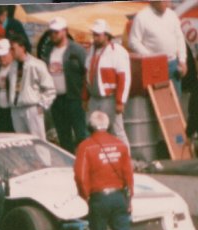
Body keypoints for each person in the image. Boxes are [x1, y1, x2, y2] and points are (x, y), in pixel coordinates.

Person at [74, 111, 149, 230]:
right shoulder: (120, 144)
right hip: (118, 196)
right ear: (107, 125)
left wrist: (85, 196)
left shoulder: (86, 146)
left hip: (99, 197)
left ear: (90, 126)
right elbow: (128, 174)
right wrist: (129, 198)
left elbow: (80, 176)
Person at [82, 19, 131, 149]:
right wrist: (85, 97)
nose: (95, 38)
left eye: (98, 35)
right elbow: (87, 75)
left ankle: (127, 159)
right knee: (92, 130)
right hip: (94, 98)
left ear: (107, 35)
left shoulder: (118, 51)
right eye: (94, 35)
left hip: (110, 99)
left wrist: (120, 101)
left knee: (117, 131)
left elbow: (124, 78)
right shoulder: (91, 51)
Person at [41, 16, 87, 153]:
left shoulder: (77, 50)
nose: (53, 35)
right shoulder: (48, 50)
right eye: (51, 32)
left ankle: (84, 161)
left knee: (81, 133)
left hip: (74, 98)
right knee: (63, 134)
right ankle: (69, 162)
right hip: (56, 100)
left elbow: (86, 72)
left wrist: (85, 96)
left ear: (65, 31)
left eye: (56, 32)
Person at [128, 0, 187, 96]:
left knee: (175, 99)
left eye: (168, 1)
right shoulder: (142, 17)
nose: (167, 3)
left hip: (173, 64)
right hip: (154, 67)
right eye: (163, 1)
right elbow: (133, 41)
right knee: (158, 99)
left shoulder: (172, 15)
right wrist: (151, 57)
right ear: (153, 2)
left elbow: (179, 38)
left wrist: (182, 60)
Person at [8, 34, 56, 140]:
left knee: (38, 141)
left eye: (13, 48)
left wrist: (42, 105)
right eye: (10, 48)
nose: (11, 51)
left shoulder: (37, 64)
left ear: (22, 47)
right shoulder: (12, 66)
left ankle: (43, 157)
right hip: (16, 108)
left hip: (31, 108)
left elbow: (50, 88)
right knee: (22, 142)